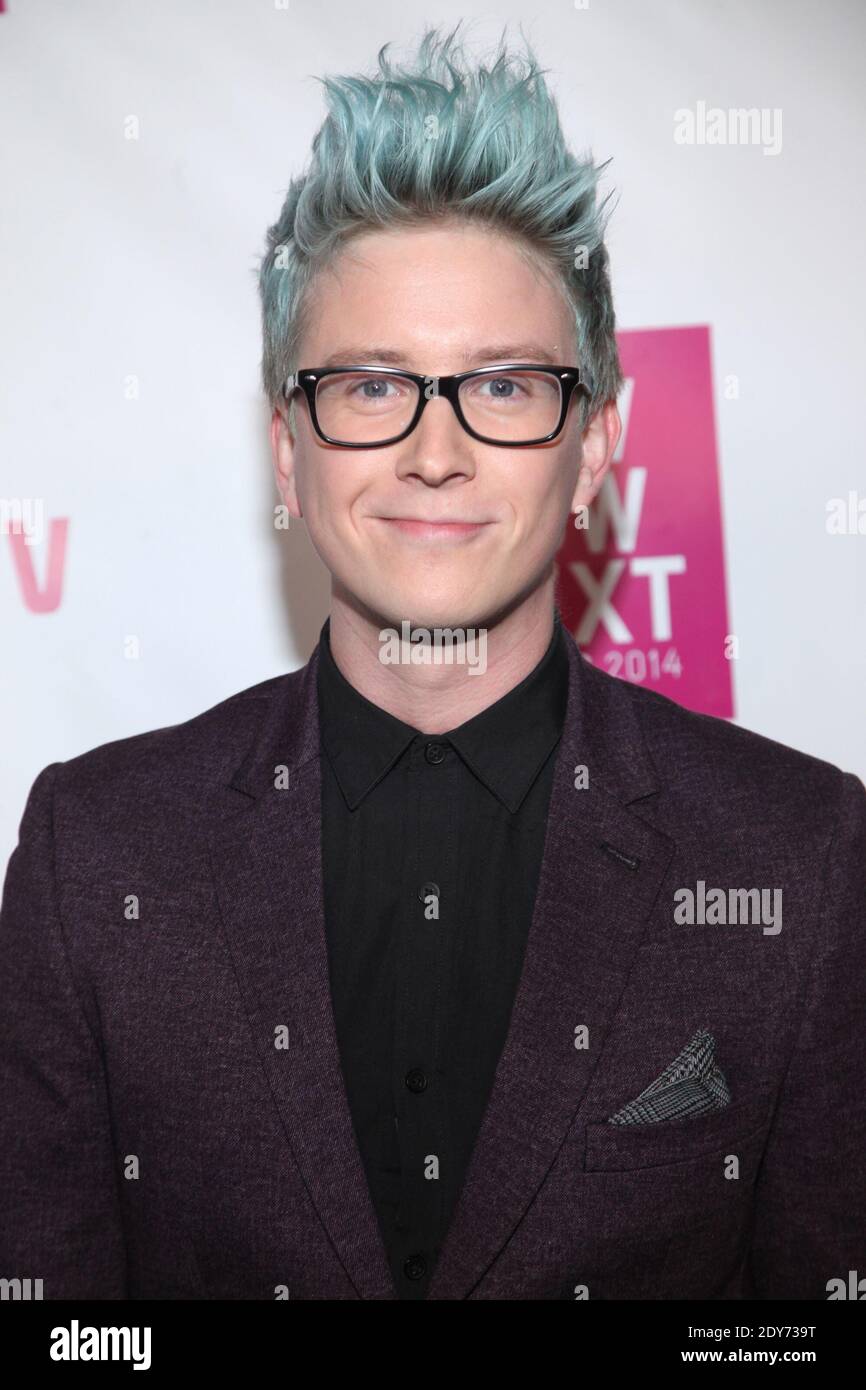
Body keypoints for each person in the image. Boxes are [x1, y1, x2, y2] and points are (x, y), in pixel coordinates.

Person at [1, 25, 864, 1302]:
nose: (433, 450)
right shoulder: (98, 852)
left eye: (504, 387)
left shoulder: (799, 855)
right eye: (368, 386)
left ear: (597, 444)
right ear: (287, 450)